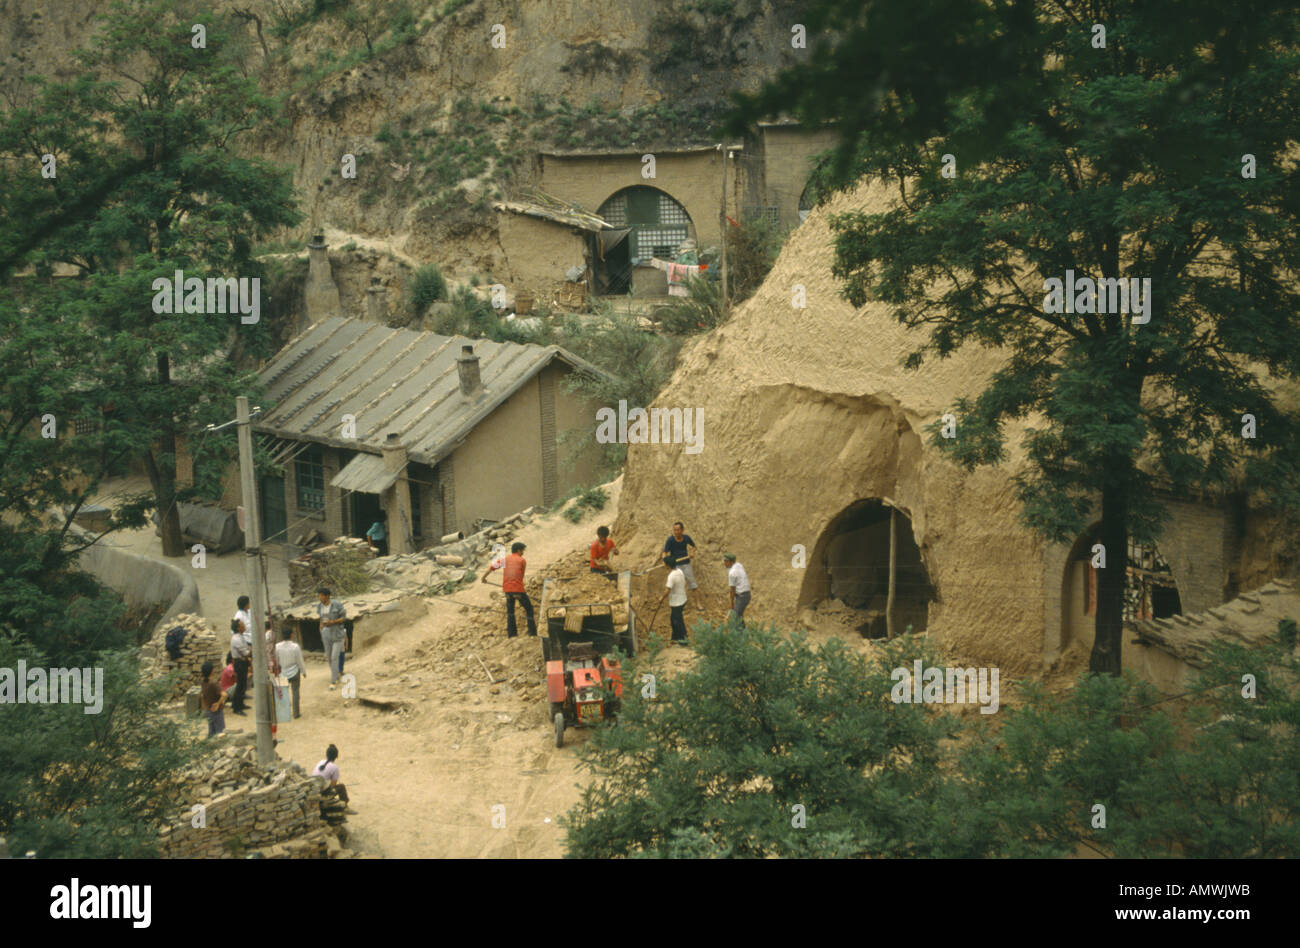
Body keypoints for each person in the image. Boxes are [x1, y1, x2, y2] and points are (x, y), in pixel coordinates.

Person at [481, 541, 536, 637]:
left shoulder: (504, 559)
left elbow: (491, 567)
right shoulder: (522, 560)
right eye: (522, 550)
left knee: (510, 612)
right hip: (518, 589)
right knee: (529, 609)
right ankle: (532, 633)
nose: (523, 552)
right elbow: (521, 577)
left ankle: (512, 634)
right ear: (518, 550)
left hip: (507, 590)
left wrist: (483, 578)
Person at [662, 522, 702, 611]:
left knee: (693, 584)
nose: (676, 532)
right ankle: (679, 605)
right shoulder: (670, 540)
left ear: (682, 530)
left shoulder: (686, 538)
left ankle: (698, 604)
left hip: (686, 564)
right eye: (674, 530)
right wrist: (664, 560)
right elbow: (664, 552)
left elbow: (694, 547)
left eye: (678, 530)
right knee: (676, 586)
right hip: (676, 566)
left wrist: (692, 553)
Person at [318, 587, 347, 690]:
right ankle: (335, 674)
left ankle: (333, 681)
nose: (319, 597)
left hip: (337, 634)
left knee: (335, 657)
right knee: (329, 657)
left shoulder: (337, 604)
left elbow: (344, 618)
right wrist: (321, 626)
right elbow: (320, 618)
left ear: (327, 596)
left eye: (321, 595)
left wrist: (333, 622)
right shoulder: (319, 606)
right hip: (326, 634)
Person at [312, 744, 356, 813]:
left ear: (326, 754)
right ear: (336, 756)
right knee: (341, 787)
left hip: (313, 789)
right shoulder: (334, 767)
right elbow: (333, 785)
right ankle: (345, 807)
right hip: (322, 793)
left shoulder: (320, 762)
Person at [275, 628, 306, 719]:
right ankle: (296, 713)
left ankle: (284, 713)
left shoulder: (277, 646)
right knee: (295, 692)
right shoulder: (295, 647)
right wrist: (303, 671)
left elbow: (276, 660)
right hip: (295, 672)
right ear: (291, 635)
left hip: (283, 672)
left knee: (283, 693)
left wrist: (277, 670)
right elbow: (300, 661)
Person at [229, 613, 252, 715]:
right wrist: (251, 651)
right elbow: (245, 652)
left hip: (243, 662)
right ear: (238, 628)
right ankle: (236, 707)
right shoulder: (236, 639)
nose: (244, 626)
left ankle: (240, 704)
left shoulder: (240, 637)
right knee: (240, 685)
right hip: (239, 663)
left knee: (243, 684)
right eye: (242, 625)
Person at [665, 555, 689, 645]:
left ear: (667, 565)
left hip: (677, 602)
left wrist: (661, 598)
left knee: (678, 621)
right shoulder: (680, 571)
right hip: (682, 598)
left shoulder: (671, 576)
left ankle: (683, 640)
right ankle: (675, 637)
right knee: (673, 619)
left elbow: (667, 590)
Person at [723, 554, 751, 628]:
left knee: (735, 618)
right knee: (739, 615)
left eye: (726, 561)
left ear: (731, 562)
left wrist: (732, 604)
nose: (724, 563)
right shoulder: (739, 565)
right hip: (746, 595)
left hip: (742, 596)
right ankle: (744, 633)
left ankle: (740, 635)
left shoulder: (732, 573)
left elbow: (732, 590)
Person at [200, 660, 226, 738]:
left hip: (208, 710)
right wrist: (218, 703)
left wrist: (204, 707)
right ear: (212, 671)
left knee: (211, 732)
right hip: (216, 711)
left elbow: (202, 696)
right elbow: (224, 695)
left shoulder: (203, 683)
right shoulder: (213, 683)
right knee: (220, 732)